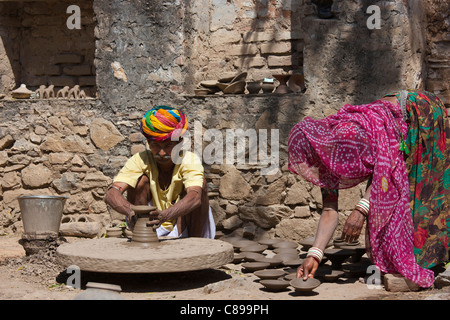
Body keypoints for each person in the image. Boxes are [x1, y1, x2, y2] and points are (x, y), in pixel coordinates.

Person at [288, 90, 449, 288]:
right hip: (393, 132)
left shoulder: (348, 135)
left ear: (314, 146)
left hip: (420, 111)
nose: (310, 166)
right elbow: (330, 211)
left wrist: (361, 210)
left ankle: (428, 259)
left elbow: (386, 168)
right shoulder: (324, 162)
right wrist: (314, 255)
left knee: (420, 193)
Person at [104, 105, 215, 239]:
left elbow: (195, 198)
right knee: (140, 181)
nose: (162, 153)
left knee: (199, 187)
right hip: (152, 224)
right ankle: (142, 235)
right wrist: (131, 211)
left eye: (168, 146)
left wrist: (165, 215)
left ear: (179, 143)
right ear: (148, 143)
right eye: (156, 145)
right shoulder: (141, 159)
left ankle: (194, 245)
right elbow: (111, 194)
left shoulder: (189, 160)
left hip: (183, 222)